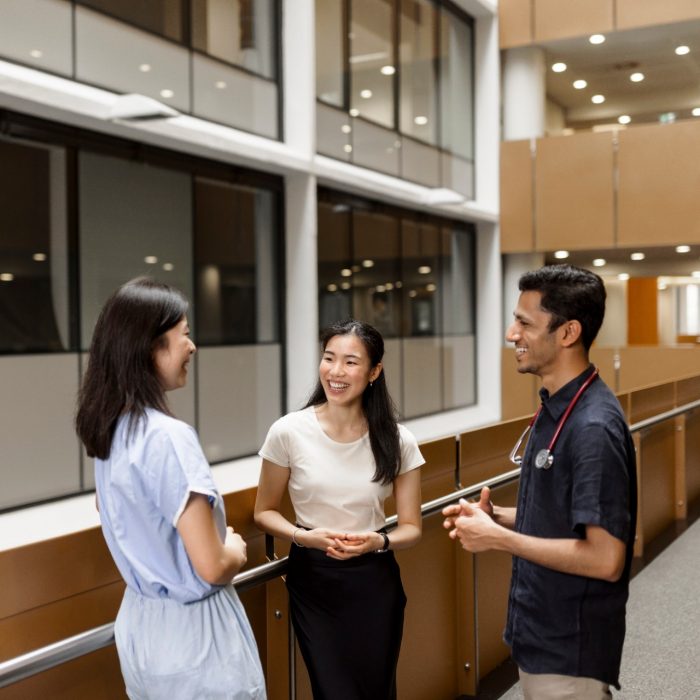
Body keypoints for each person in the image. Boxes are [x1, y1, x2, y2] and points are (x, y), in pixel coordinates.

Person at [443, 265, 637, 700]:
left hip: (568, 651)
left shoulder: (592, 426)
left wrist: (496, 538)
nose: (512, 334)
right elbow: (561, 516)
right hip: (541, 637)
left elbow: (605, 557)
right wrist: (498, 517)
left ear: (568, 333)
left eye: (524, 323)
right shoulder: (557, 407)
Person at [75, 277, 266, 700]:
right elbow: (212, 566)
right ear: (150, 348)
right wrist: (233, 547)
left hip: (142, 629)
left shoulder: (110, 433)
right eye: (184, 335)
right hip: (195, 636)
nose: (192, 347)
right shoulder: (168, 438)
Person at [254, 319, 424, 700]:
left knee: (376, 690)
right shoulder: (288, 431)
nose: (335, 371)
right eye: (329, 358)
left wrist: (377, 542)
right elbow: (263, 511)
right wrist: (304, 536)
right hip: (313, 578)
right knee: (333, 691)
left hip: (374, 581)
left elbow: (411, 527)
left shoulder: (398, 440)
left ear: (374, 371)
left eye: (350, 362)